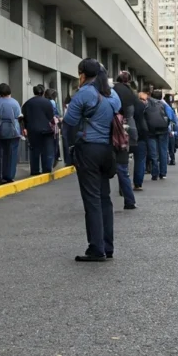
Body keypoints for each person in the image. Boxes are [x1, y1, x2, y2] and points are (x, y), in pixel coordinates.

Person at [64, 59, 121, 262]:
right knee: (105, 197)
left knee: (92, 199)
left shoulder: (84, 93)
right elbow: (117, 109)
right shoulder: (111, 94)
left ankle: (96, 248)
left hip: (88, 149)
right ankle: (108, 245)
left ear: (82, 74)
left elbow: (69, 121)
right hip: (108, 150)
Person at [112, 72, 138, 210]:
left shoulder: (112, 92)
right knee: (123, 169)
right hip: (125, 136)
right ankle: (129, 200)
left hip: (110, 136)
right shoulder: (131, 93)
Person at [0, 83, 22, 185]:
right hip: (14, 131)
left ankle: (0, 176)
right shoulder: (15, 102)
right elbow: (18, 116)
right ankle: (10, 176)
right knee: (12, 154)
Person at [21, 84, 55, 176]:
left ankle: (35, 170)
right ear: (43, 92)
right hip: (46, 130)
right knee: (47, 149)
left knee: (34, 150)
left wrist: (25, 128)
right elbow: (50, 116)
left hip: (32, 130)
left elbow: (24, 117)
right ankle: (46, 169)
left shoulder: (27, 103)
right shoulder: (47, 102)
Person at [143, 88, 171, 181]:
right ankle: (163, 173)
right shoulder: (163, 104)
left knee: (153, 153)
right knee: (163, 151)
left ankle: (154, 173)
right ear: (161, 97)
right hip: (163, 130)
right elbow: (170, 117)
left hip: (151, 131)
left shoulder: (146, 104)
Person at [132, 88, 149, 190]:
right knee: (140, 160)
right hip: (142, 134)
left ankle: (123, 185)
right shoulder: (143, 106)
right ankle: (138, 183)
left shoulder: (125, 106)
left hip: (129, 134)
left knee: (123, 162)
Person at [44, 87, 62, 163]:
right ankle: (55, 157)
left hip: (46, 123)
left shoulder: (45, 101)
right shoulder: (53, 102)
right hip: (53, 123)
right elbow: (57, 113)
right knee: (55, 140)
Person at [164, 94, 178, 165]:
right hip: (170, 130)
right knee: (171, 146)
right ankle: (172, 159)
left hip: (164, 129)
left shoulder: (162, 106)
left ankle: (166, 160)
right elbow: (175, 121)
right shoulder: (171, 108)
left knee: (165, 147)